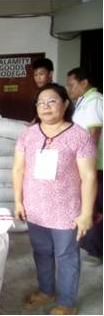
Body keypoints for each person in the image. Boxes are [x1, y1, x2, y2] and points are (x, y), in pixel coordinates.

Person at [13, 83, 97, 315]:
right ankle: (46, 290)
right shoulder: (28, 135)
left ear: (65, 104)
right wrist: (19, 201)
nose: (46, 107)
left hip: (66, 211)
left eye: (52, 101)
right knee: (41, 252)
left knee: (67, 256)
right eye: (41, 102)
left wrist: (86, 213)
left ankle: (67, 304)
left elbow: (89, 176)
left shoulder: (79, 136)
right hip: (36, 209)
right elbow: (18, 169)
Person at [66, 67, 103, 264]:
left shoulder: (95, 101)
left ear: (84, 83)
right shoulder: (84, 101)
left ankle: (95, 250)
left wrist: (86, 164)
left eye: (71, 85)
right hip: (90, 165)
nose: (69, 89)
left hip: (96, 166)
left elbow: (94, 133)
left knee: (94, 205)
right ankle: (90, 244)